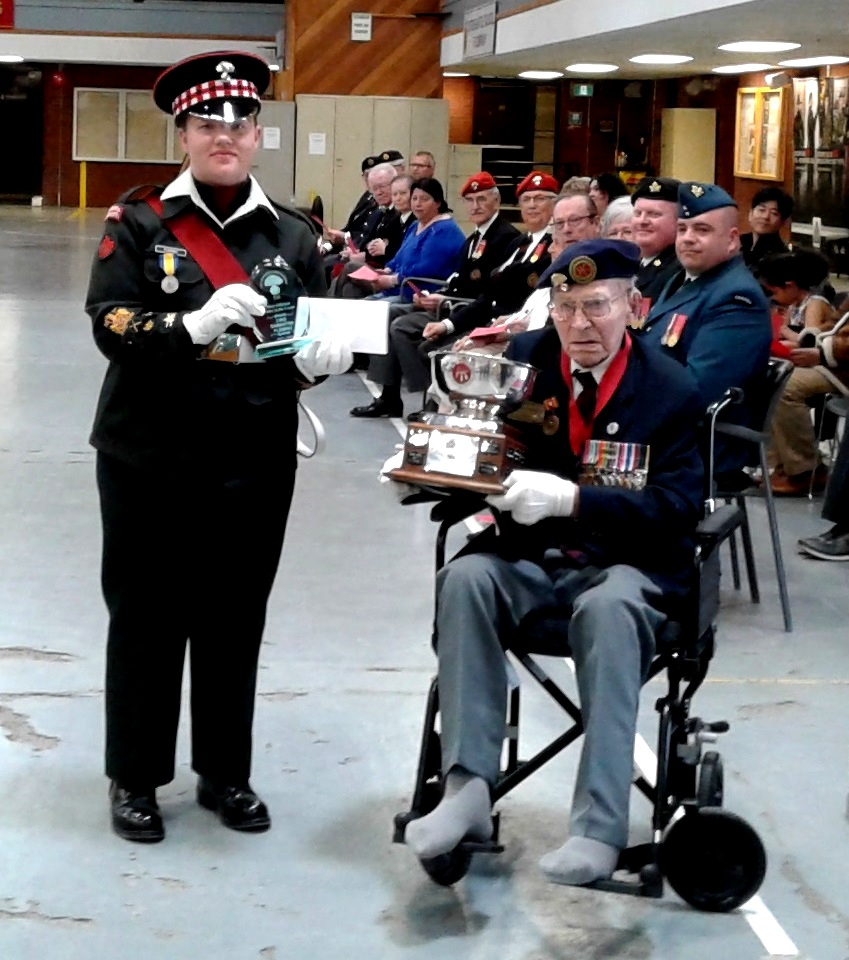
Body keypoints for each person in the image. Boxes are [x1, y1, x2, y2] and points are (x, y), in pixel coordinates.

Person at [86, 51, 352, 844]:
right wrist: (187, 327)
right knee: (146, 615)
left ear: (258, 135)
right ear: (184, 135)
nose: (223, 137)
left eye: (238, 124)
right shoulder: (138, 221)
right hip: (148, 454)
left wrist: (320, 361)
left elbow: (308, 338)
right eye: (207, 124)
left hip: (252, 456)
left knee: (235, 616)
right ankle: (135, 776)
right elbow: (109, 321)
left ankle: (224, 773)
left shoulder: (295, 234)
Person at [386, 239, 703, 886]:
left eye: (596, 306)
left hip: (628, 565)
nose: (579, 324)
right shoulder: (525, 361)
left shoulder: (670, 388)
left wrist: (572, 499)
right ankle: (468, 788)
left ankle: (598, 826)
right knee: (466, 579)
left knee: (609, 612)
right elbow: (494, 445)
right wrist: (429, 469)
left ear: (633, 308)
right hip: (532, 557)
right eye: (565, 308)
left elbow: (677, 506)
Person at [350, 171, 520, 418]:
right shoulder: (474, 238)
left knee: (397, 323)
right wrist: (436, 295)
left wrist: (442, 299)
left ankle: (429, 399)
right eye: (470, 200)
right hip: (446, 301)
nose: (475, 206)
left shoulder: (505, 238)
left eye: (482, 199)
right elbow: (457, 280)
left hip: (465, 310)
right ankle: (391, 396)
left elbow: (484, 293)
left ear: (497, 201)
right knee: (385, 315)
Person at [638, 182, 772, 482]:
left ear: (732, 240)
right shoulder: (685, 280)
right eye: (682, 229)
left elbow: (697, 388)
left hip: (695, 441)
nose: (688, 238)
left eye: (702, 230)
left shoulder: (737, 298)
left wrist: (625, 401)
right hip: (662, 423)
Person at [362, 177, 465, 301]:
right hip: (397, 289)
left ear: (438, 203)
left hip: (422, 294)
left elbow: (425, 268)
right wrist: (387, 270)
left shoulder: (445, 230)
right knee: (360, 304)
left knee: (374, 308)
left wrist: (392, 279)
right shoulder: (415, 225)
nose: (417, 204)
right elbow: (399, 257)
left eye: (424, 199)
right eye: (414, 199)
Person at [629, 176, 680, 309]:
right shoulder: (632, 264)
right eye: (637, 214)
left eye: (654, 214)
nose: (642, 221)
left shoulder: (678, 272)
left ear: (678, 222)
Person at [739, 187, 793, 272]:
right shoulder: (737, 243)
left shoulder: (782, 258)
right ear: (750, 214)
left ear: (783, 222)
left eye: (774, 213)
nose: (765, 217)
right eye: (761, 210)